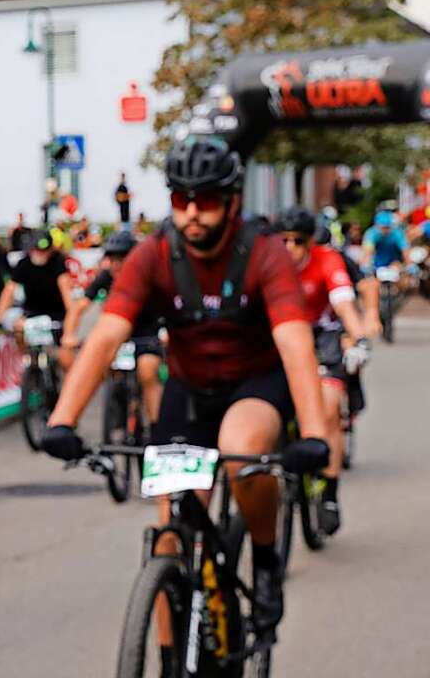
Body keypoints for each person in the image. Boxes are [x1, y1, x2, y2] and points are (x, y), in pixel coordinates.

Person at [41, 136, 330, 653]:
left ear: (233, 202)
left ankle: (265, 561)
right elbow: (106, 336)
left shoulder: (264, 254)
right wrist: (62, 420)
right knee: (171, 531)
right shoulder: (155, 253)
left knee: (243, 454)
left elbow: (294, 342)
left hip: (255, 385)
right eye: (181, 200)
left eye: (208, 200)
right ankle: (173, 655)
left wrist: (312, 433)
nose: (193, 214)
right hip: (191, 390)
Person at [276, 206, 370, 535]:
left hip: (323, 334)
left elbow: (344, 303)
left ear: (310, 242)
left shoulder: (328, 260)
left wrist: (359, 337)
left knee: (328, 407)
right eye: (283, 240)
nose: (289, 248)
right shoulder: (270, 263)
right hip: (285, 331)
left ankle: (329, 493)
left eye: (298, 241)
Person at [82, 230, 164, 424]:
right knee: (108, 367)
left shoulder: (151, 275)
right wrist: (69, 333)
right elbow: (82, 304)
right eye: (112, 258)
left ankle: (157, 429)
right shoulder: (105, 277)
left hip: (147, 334)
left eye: (122, 258)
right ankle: (120, 406)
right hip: (119, 337)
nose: (117, 264)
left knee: (147, 372)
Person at [0, 228, 76, 368]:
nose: (39, 254)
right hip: (32, 313)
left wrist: (70, 321)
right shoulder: (24, 263)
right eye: (36, 249)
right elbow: (9, 290)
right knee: (18, 328)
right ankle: (27, 361)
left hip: (56, 314)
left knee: (65, 357)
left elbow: (66, 290)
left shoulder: (58, 262)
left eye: (43, 250)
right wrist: (0, 318)